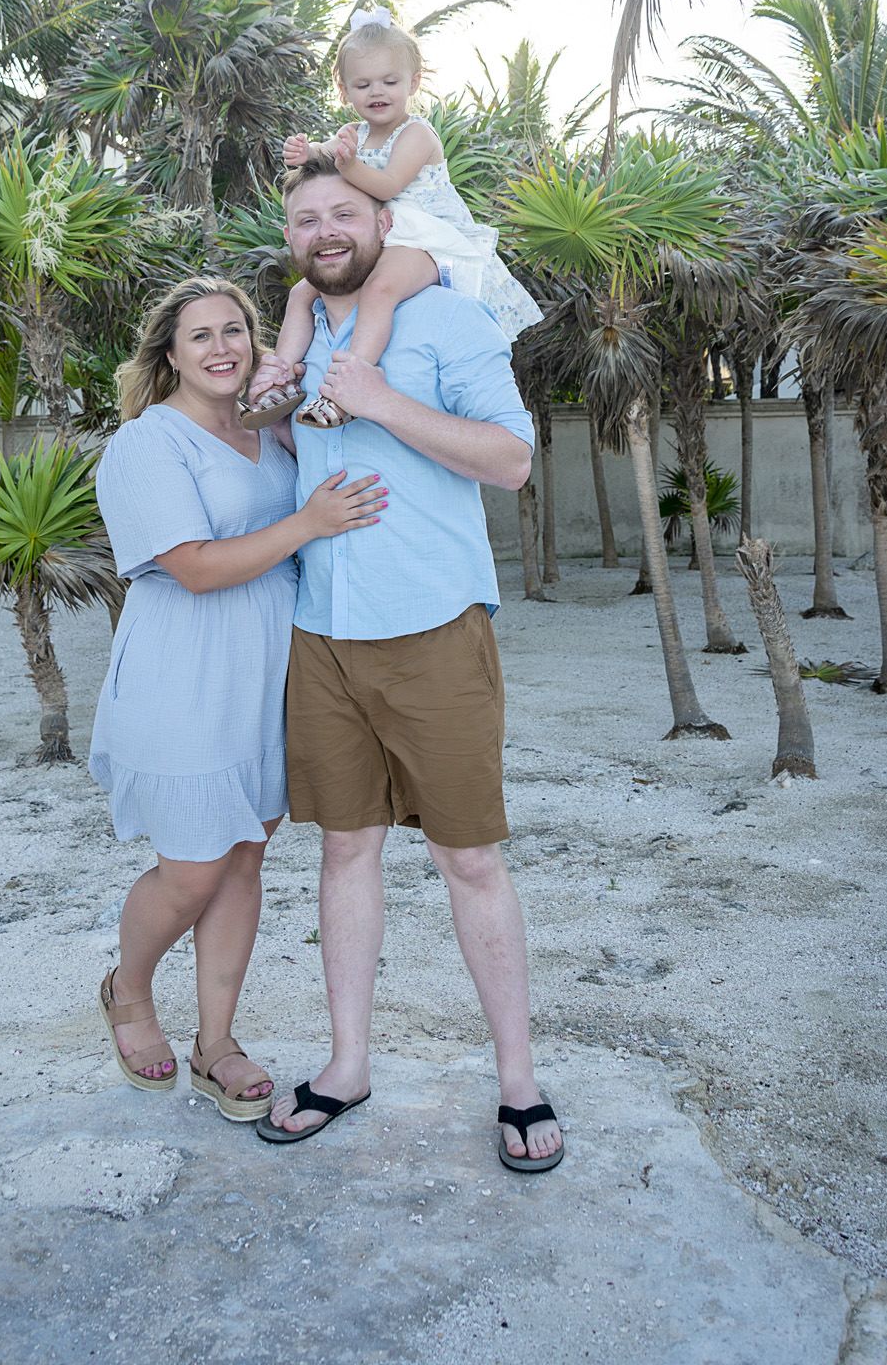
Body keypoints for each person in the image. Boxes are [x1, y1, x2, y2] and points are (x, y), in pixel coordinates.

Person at [256, 160, 564, 1172]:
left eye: (343, 212)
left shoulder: (446, 318)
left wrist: (380, 399)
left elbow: (511, 459)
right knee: (343, 851)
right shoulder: (297, 339)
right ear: (292, 238)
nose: (324, 230)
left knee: (467, 857)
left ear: (386, 218)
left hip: (432, 626)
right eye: (306, 218)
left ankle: (517, 1081)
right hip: (322, 631)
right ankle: (347, 1065)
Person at [89, 276, 387, 1120]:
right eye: (199, 337)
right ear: (169, 356)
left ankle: (215, 1041)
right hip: (183, 674)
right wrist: (308, 524)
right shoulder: (148, 444)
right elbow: (190, 565)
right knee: (190, 870)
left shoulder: (272, 437)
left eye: (235, 331)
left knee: (245, 856)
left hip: (267, 673)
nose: (221, 348)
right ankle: (128, 990)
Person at [242, 6, 539, 430]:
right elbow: (325, 153)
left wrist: (346, 166)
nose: (376, 91)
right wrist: (305, 153)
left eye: (390, 81)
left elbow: (386, 186)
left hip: (429, 238)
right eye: (363, 84)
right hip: (390, 234)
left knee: (379, 289)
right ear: (344, 90)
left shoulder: (417, 134)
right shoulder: (356, 134)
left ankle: (345, 390)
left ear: (413, 83)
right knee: (301, 294)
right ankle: (281, 380)